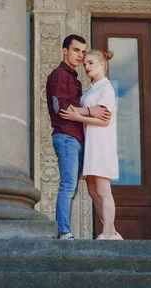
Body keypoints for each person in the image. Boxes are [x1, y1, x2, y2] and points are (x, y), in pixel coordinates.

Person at [46, 36, 110, 240]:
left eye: (83, 52)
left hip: (77, 138)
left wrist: (86, 113)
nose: (80, 56)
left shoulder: (76, 79)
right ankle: (64, 232)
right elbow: (62, 109)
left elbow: (76, 110)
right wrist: (91, 111)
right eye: (76, 50)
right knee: (68, 185)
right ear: (65, 50)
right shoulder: (59, 75)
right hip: (66, 137)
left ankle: (110, 231)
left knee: (75, 188)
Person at [59, 49, 123, 240]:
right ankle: (112, 232)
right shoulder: (92, 88)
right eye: (85, 64)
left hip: (102, 144)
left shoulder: (106, 88)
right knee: (92, 191)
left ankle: (107, 234)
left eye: (90, 63)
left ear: (102, 64)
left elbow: (104, 120)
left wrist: (78, 117)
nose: (86, 66)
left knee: (103, 190)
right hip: (91, 144)